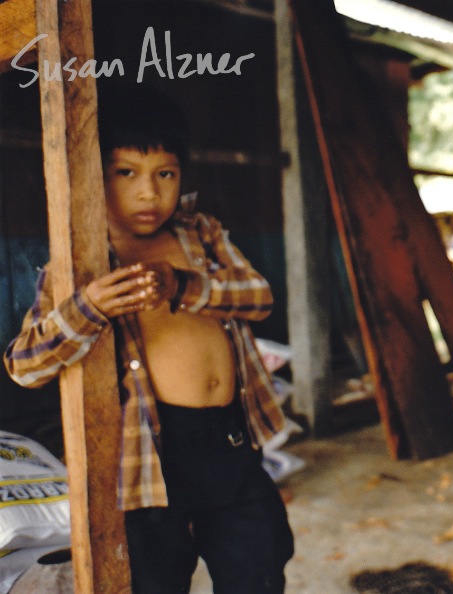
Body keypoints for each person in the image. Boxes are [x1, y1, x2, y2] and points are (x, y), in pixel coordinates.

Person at [3, 84, 294, 593]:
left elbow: (259, 297)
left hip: (229, 438)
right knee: (153, 578)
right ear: (95, 176)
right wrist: (88, 309)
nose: (148, 193)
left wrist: (185, 285)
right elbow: (25, 366)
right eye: (126, 173)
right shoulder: (80, 264)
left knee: (260, 562)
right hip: (148, 455)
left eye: (165, 174)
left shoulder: (199, 233)